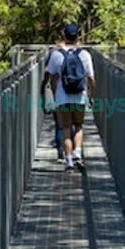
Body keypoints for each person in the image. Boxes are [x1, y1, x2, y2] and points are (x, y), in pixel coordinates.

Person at [47, 24, 95, 171]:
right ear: (78, 36)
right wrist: (91, 96)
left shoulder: (56, 54)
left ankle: (68, 161)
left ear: (63, 35)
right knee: (79, 126)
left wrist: (55, 94)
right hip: (80, 97)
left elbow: (51, 77)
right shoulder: (85, 55)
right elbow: (91, 79)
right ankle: (78, 154)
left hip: (63, 97)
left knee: (66, 127)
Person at [41, 37, 66, 159]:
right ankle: (72, 153)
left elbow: (48, 73)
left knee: (59, 124)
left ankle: (61, 152)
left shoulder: (54, 53)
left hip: (59, 94)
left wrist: (45, 87)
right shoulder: (78, 52)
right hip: (75, 94)